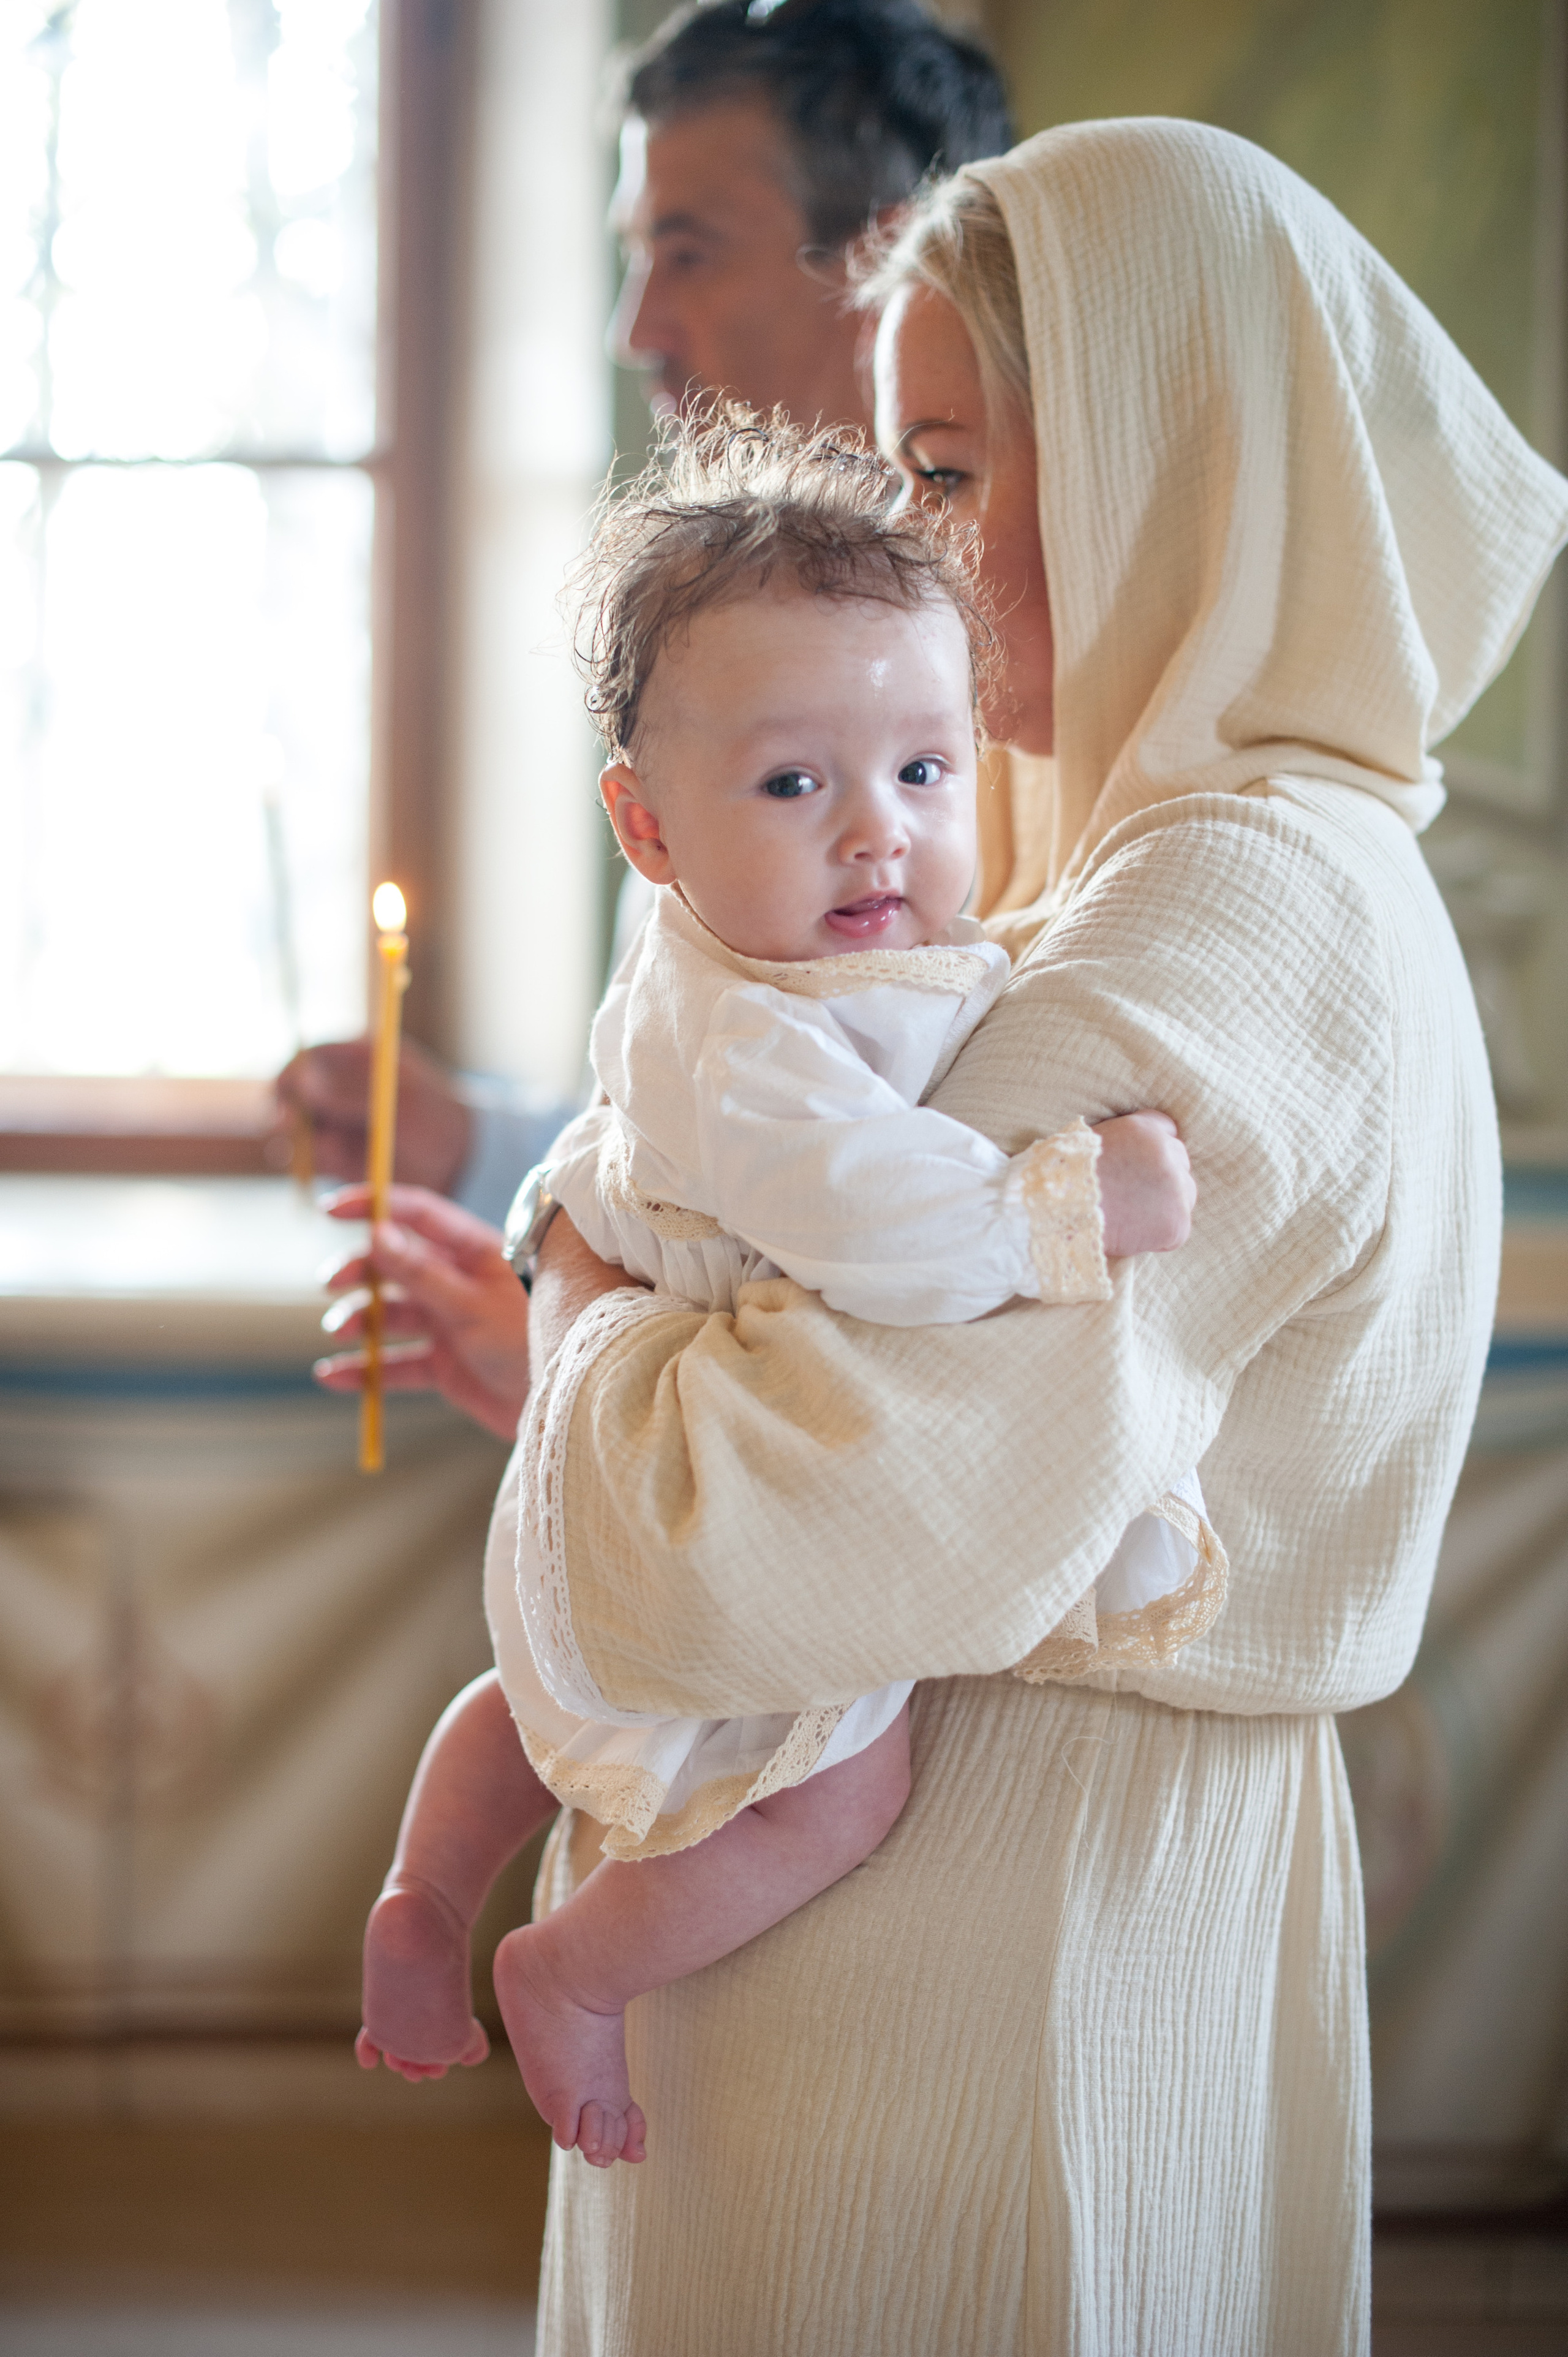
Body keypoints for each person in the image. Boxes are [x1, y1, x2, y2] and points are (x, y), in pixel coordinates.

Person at [481, 124, 1564, 2354]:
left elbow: (754, 1523)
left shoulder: (1237, 906)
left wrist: (579, 1301)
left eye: (955, 475)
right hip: (964, 1944)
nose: (920, 565)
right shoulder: (1159, 859)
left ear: (1188, 463)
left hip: (997, 1973)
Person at [353, 413, 1216, 2172]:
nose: (876, 839)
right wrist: (1074, 1206)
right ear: (646, 827)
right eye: (792, 785)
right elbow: (884, 1224)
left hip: (613, 1400)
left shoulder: (809, 959)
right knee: (838, 1787)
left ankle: (426, 1889)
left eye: (922, 770)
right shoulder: (742, 1035)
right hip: (675, 1403)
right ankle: (570, 1967)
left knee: (545, 1687)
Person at [280, 0, 1012, 1228]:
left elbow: (882, 1218)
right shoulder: (713, 665)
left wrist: (565, 1342)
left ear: (886, 268)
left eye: (687, 252)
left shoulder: (988, 700)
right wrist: (476, 1148)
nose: (636, 332)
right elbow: (709, 1136)